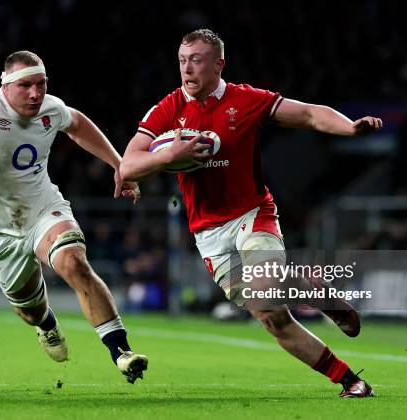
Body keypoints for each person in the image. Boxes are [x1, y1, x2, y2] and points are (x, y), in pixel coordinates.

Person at [120, 29, 382, 397]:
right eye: (182, 60)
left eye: (196, 59)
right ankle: (349, 379)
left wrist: (349, 128)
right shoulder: (167, 109)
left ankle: (314, 293)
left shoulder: (246, 100)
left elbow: (307, 114)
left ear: (218, 64)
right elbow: (127, 166)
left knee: (266, 286)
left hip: (252, 214)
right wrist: (166, 157)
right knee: (272, 316)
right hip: (208, 233)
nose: (187, 68)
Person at [0, 51, 148, 384]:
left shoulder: (50, 109)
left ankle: (122, 352)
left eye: (41, 84)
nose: (35, 93)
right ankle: (46, 324)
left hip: (43, 209)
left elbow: (77, 124)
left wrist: (120, 164)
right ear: (5, 86)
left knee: (74, 262)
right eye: (25, 86)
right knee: (29, 310)